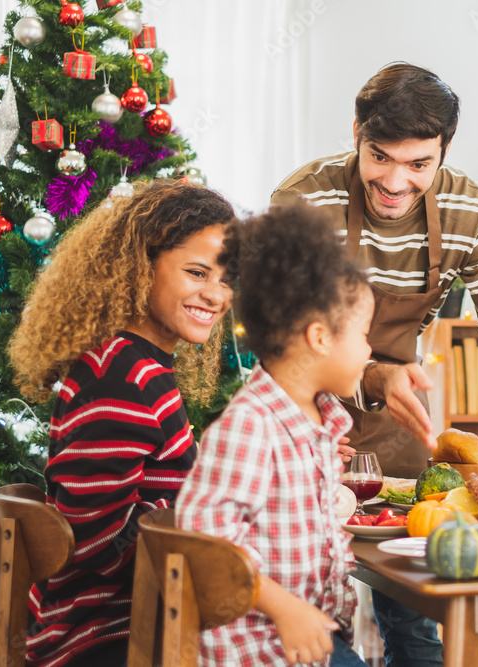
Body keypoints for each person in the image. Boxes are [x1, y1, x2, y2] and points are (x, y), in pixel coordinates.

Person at [271, 61, 478, 666]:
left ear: (443, 153)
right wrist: (371, 376)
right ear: (356, 134)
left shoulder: (469, 211)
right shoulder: (304, 198)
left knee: (416, 610)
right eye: (381, 157)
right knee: (306, 601)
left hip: (400, 417)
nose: (396, 182)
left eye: (419, 164)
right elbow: (286, 332)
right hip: (301, 416)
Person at [8, 180, 235, 666]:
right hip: (108, 637)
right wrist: (218, 524)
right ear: (139, 267)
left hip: (134, 620)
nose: (215, 295)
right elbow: (96, 544)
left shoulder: (135, 365)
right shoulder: (123, 378)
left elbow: (153, 483)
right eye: (197, 273)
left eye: (226, 278)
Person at [175, 202, 372, 667]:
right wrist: (285, 608)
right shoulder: (253, 424)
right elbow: (204, 541)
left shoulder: (316, 421)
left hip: (311, 641)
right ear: (320, 338)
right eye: (364, 334)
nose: (370, 350)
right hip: (259, 651)